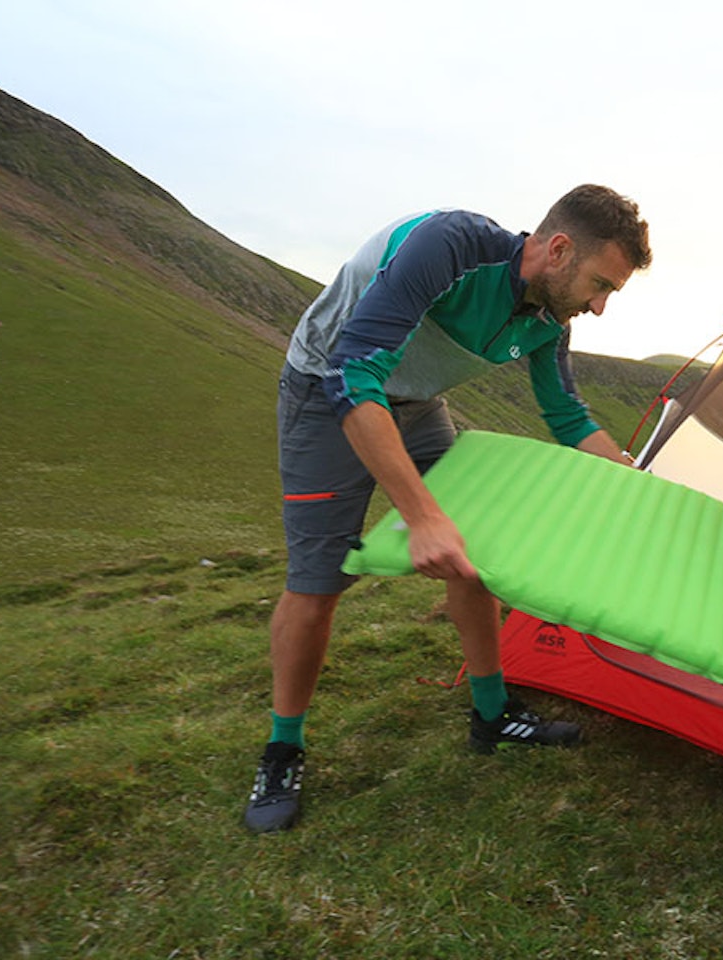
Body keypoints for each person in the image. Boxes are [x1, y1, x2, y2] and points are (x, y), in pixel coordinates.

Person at [243, 185, 652, 833]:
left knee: (473, 548)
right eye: (600, 285)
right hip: (329, 389)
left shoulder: (550, 317)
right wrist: (423, 516)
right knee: (318, 582)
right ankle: (282, 749)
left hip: (416, 401)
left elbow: (567, 415)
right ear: (558, 249)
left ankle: (492, 717)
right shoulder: (450, 246)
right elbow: (355, 375)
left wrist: (637, 484)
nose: (599, 307)